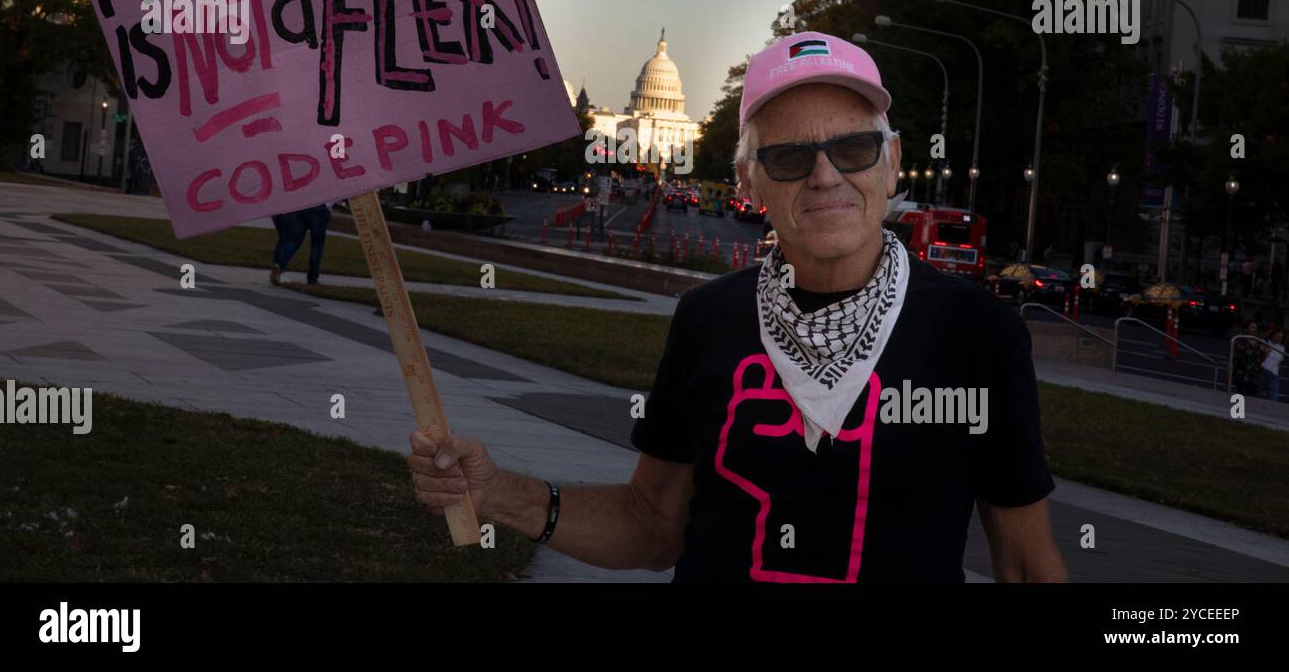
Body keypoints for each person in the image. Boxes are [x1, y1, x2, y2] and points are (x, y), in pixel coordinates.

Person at [407, 32, 1067, 582]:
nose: (826, 175)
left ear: (892, 163)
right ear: (748, 181)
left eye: (854, 148)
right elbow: (651, 526)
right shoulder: (708, 320)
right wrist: (498, 496)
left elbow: (1025, 564)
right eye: (788, 157)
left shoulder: (977, 334)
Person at [270, 203, 333, 286]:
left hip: (302, 206)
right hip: (320, 208)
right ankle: (313, 277)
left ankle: (279, 264)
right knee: (317, 245)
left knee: (292, 241)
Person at [1257, 328, 1284, 402]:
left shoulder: (1281, 348)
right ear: (1273, 335)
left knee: (1273, 397)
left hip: (1273, 374)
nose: (1279, 339)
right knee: (1257, 394)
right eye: (1278, 336)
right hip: (1262, 371)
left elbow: (1279, 361)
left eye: (1281, 337)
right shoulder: (1265, 342)